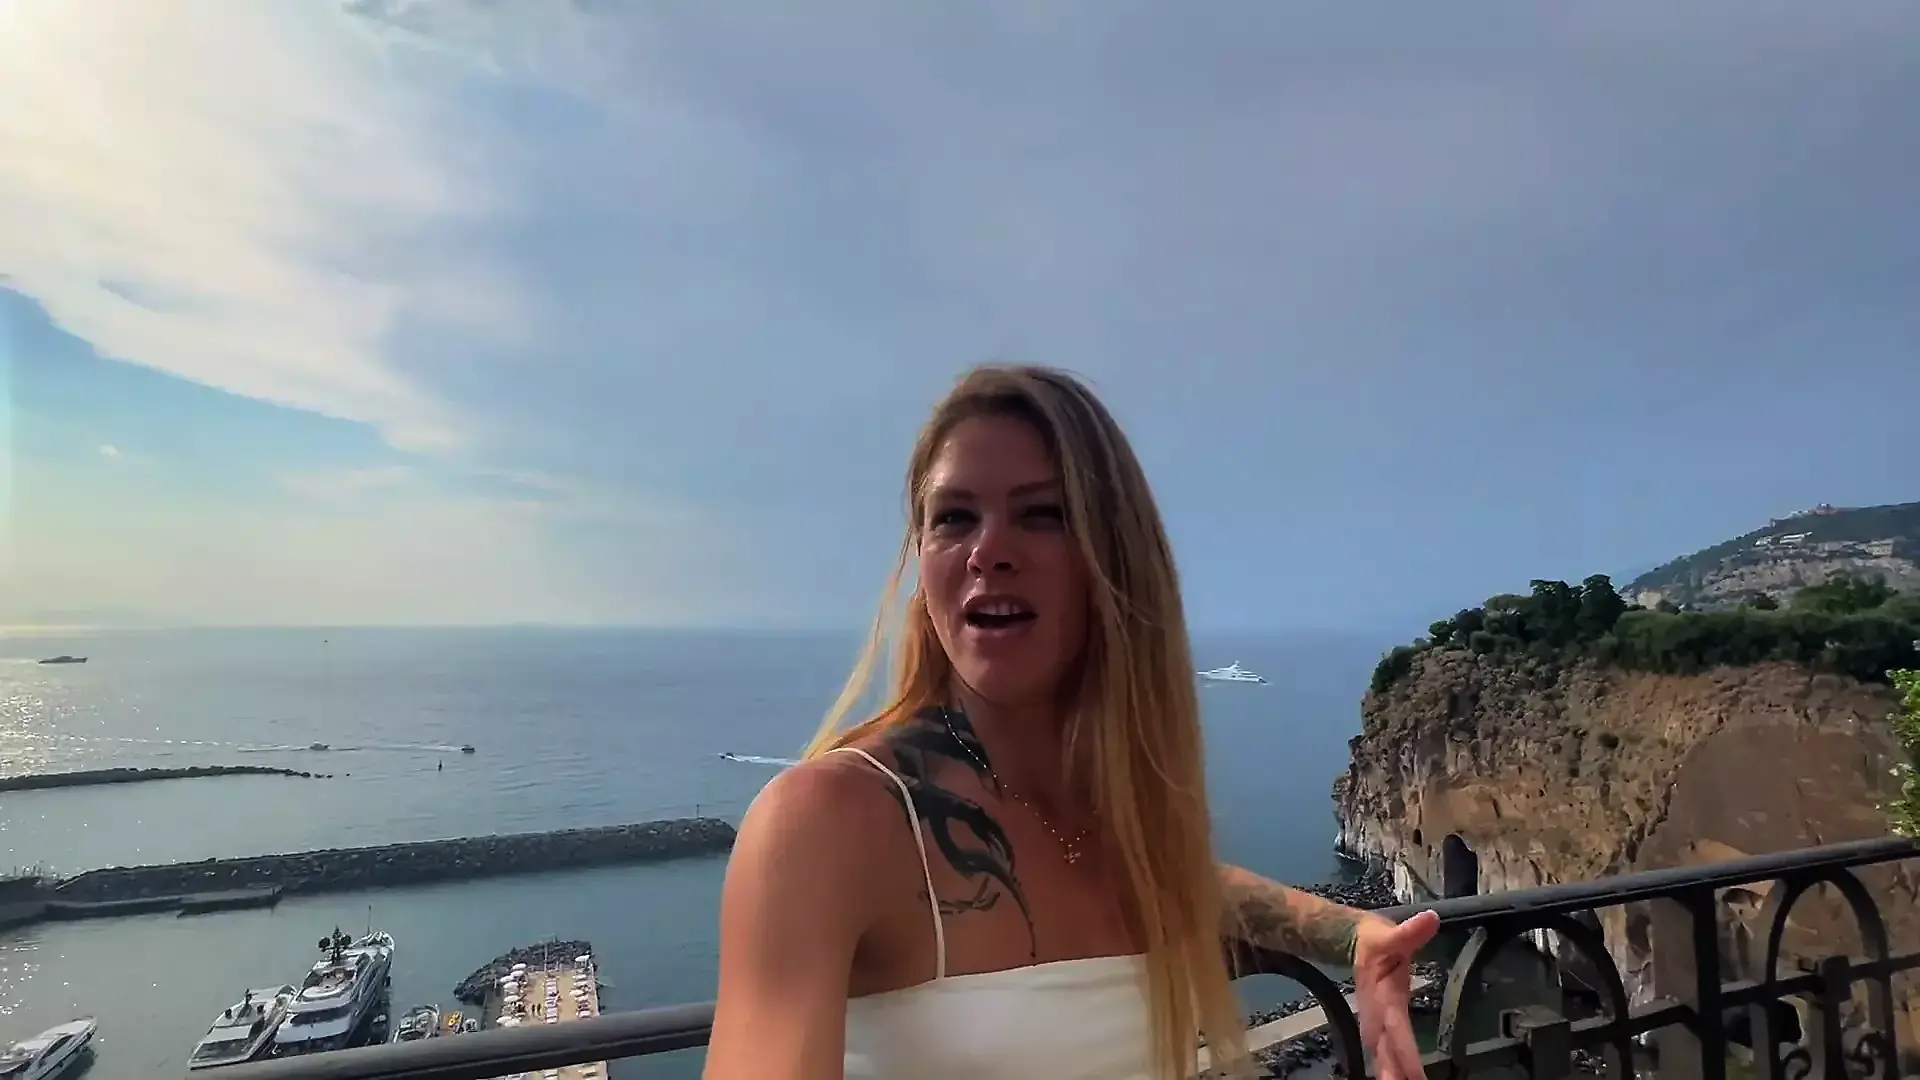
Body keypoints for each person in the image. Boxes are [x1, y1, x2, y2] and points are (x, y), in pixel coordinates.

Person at [705, 365, 1438, 1080]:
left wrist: (1354, 934)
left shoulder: (1114, 823)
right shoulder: (824, 825)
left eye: (1043, 514)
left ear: (1115, 561)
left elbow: (1183, 878)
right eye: (954, 517)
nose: (988, 552)